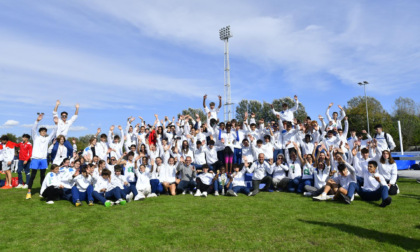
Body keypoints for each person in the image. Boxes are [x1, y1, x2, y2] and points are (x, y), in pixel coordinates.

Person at [26, 113, 57, 199]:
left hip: (43, 159)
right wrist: (37, 121)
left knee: (43, 176)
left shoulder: (47, 139)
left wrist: (56, 124)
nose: (43, 133)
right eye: (42, 131)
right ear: (39, 132)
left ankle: (42, 191)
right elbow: (33, 129)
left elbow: (54, 132)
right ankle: (29, 192)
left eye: (45, 131)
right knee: (33, 176)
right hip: (35, 159)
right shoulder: (36, 137)